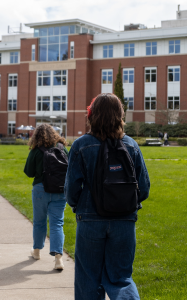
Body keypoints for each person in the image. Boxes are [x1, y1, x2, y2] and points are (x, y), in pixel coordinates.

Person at [65, 93, 150, 300]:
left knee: (88, 278)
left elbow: (71, 190)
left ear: (91, 115)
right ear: (120, 115)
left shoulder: (81, 145)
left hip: (90, 218)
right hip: (124, 219)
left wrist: (79, 205)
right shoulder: (131, 146)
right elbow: (144, 188)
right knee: (121, 277)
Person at [24, 124, 69, 270]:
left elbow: (29, 172)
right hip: (60, 190)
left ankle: (36, 251)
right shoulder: (62, 148)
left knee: (39, 222)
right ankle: (58, 259)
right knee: (57, 224)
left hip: (40, 190)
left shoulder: (36, 151)